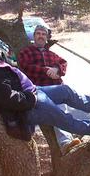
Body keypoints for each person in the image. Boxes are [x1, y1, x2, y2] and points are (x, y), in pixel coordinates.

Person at [18, 24, 81, 154]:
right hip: (39, 89)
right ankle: (66, 143)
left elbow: (63, 63)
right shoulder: (26, 52)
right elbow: (26, 67)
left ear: (46, 38)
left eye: (43, 34)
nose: (41, 36)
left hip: (57, 87)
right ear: (34, 36)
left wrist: (57, 69)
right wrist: (48, 71)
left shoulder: (51, 54)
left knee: (63, 110)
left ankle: (67, 142)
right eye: (38, 34)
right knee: (56, 112)